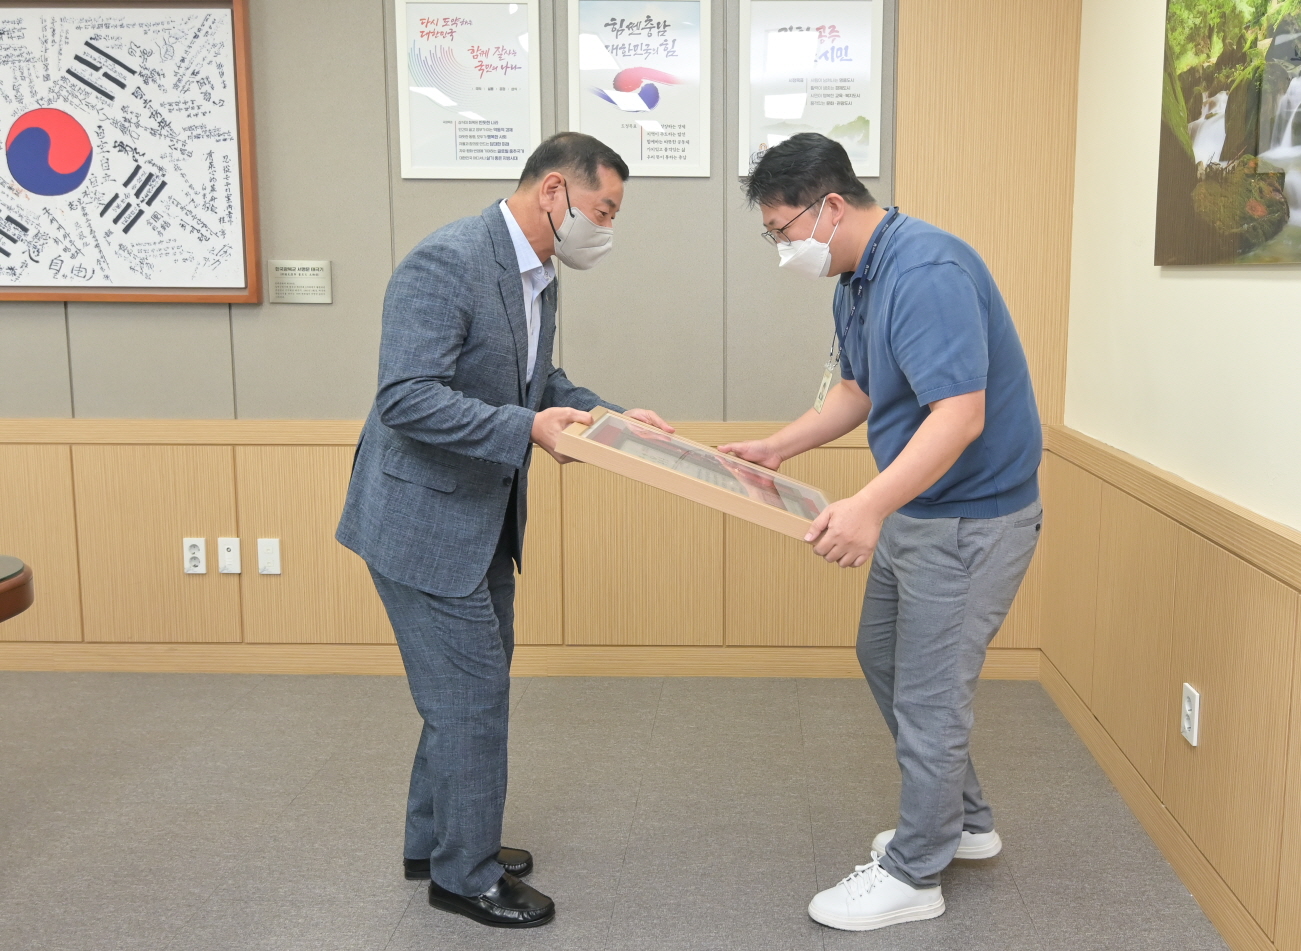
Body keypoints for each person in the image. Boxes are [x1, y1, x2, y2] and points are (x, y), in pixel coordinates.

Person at [336, 132, 671, 930]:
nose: (606, 228)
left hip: (482, 514)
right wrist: (528, 430)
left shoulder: (538, 271)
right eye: (602, 210)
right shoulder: (446, 261)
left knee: (462, 694)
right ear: (554, 191)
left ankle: (434, 843)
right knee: (472, 699)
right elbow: (405, 397)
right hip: (422, 520)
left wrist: (609, 418)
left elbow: (537, 381)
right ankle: (464, 874)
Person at [719, 133, 1043, 932]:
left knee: (930, 695)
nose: (782, 248)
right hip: (920, 507)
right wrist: (779, 446)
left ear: (830, 205)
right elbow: (859, 388)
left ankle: (914, 871)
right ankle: (963, 821)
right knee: (884, 656)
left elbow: (959, 416)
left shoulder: (926, 271)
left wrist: (866, 505)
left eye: (782, 229)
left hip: (969, 518)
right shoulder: (857, 278)